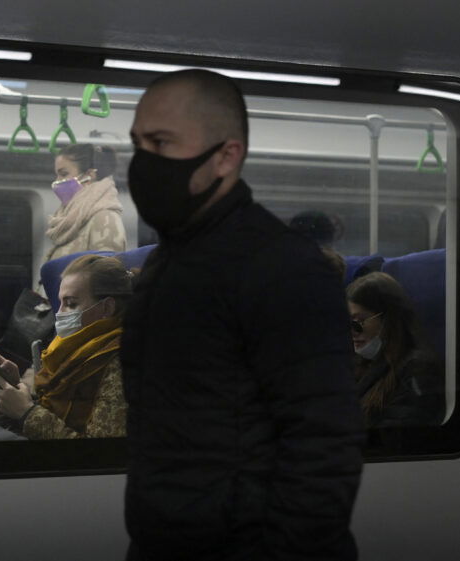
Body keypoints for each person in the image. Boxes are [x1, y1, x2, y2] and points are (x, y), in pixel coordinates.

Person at [121, 69, 364, 560]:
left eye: (161, 142)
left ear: (226, 157)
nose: (143, 161)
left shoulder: (283, 266)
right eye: (138, 143)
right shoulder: (167, 262)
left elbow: (324, 444)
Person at [0, 254, 132, 439]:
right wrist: (15, 389)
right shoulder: (74, 349)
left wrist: (26, 413)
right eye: (60, 302)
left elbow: (102, 453)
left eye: (71, 303)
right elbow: (60, 413)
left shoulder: (122, 363)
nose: (59, 313)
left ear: (107, 308)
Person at [347, 271, 444, 428]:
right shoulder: (361, 364)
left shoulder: (418, 369)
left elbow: (403, 434)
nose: (351, 331)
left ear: (389, 320)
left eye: (358, 322)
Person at [45, 144, 127, 261]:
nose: (57, 181)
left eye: (63, 174)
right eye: (57, 175)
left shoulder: (104, 218)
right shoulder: (68, 220)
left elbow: (107, 274)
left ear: (89, 176)